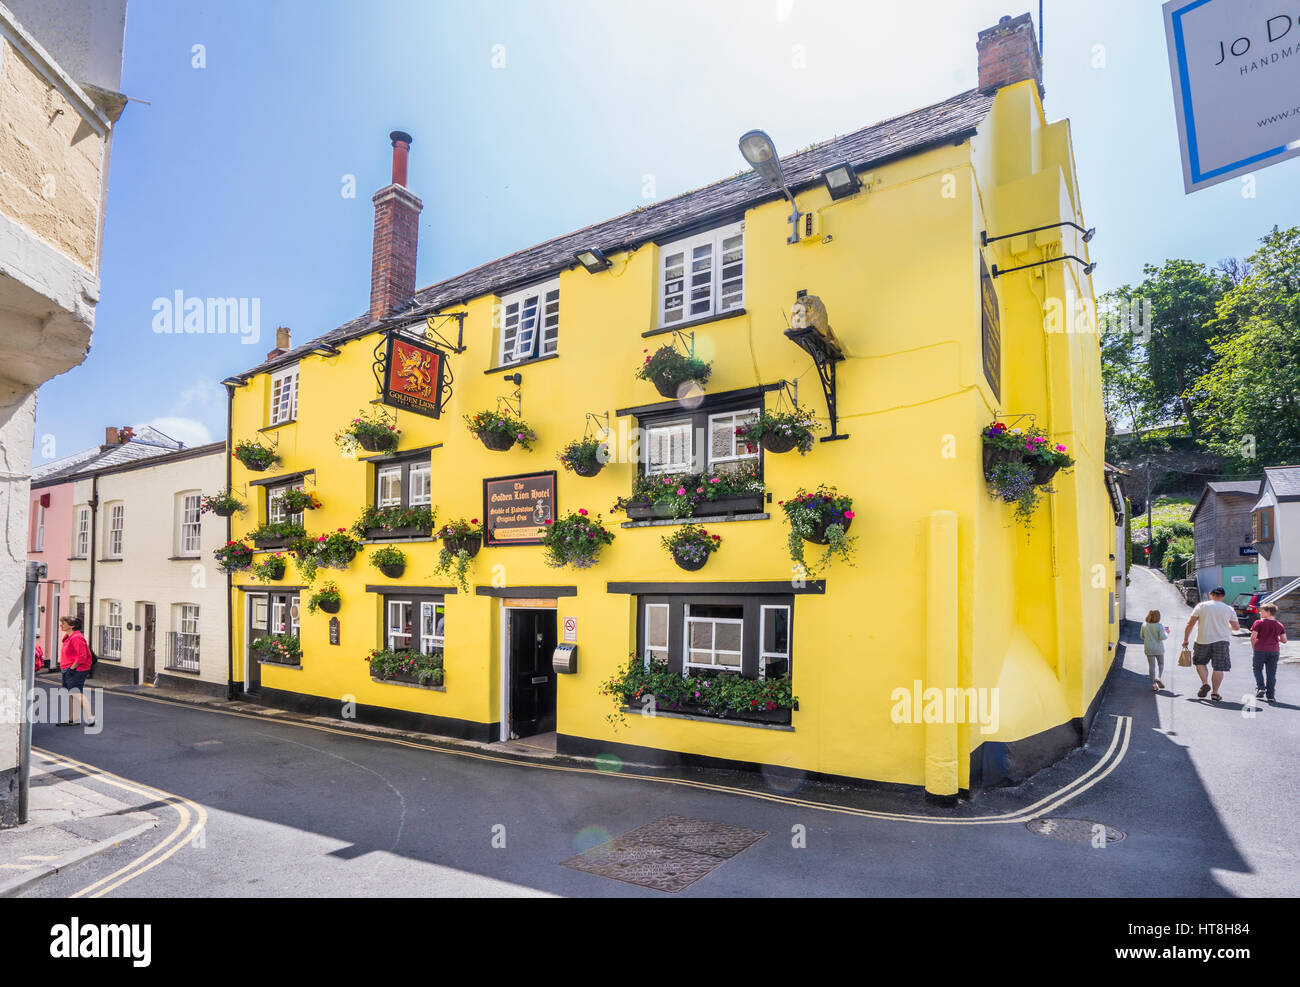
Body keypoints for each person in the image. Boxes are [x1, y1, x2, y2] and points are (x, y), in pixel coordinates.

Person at [1182, 587, 1240, 703]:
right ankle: (1215, 693)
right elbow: (1236, 627)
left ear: (1210, 594)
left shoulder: (1201, 606)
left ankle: (1205, 683)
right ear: (1223, 596)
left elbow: (1190, 624)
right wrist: (1225, 627)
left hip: (1202, 639)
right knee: (1219, 667)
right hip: (1221, 641)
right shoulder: (1229, 609)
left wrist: (1185, 639)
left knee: (1200, 662)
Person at [57, 615, 95, 727]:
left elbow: (82, 656)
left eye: (64, 623)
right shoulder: (69, 637)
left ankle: (91, 717)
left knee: (76, 693)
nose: (61, 624)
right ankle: (74, 719)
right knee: (72, 694)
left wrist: (72, 669)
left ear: (72, 626)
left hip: (77, 669)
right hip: (68, 669)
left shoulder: (77, 637)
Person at [1250, 603, 1287, 703]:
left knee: (1257, 669)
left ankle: (1261, 687)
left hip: (1260, 650)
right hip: (1274, 651)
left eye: (1262, 611)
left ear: (1268, 612)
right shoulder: (1279, 625)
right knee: (1271, 673)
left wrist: (1254, 648)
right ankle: (1271, 696)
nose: (1259, 612)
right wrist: (1275, 638)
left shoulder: (1258, 623)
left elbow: (1253, 637)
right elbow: (1284, 640)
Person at [1140, 609, 1167, 691]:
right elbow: (1163, 637)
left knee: (1152, 667)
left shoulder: (1144, 625)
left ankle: (1154, 684)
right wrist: (1167, 632)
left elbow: (1142, 636)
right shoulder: (1159, 625)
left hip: (1148, 648)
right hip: (1158, 648)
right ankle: (1158, 677)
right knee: (1161, 664)